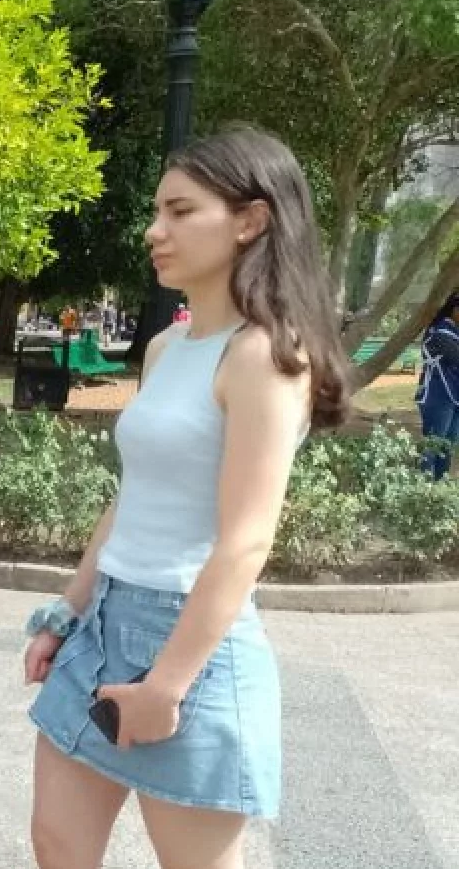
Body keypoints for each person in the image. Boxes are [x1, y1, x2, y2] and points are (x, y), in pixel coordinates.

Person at [22, 128, 351, 869]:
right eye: (157, 212)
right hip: (105, 621)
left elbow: (246, 540)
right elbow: (132, 497)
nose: (154, 231)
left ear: (250, 221)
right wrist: (67, 612)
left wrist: (167, 683)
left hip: (190, 641)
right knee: (57, 844)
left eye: (179, 211)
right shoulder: (167, 347)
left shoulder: (264, 355)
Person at [416, 292, 459, 478]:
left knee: (447, 446)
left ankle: (439, 487)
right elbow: (455, 357)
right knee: (433, 444)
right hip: (437, 395)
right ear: (455, 310)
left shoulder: (454, 332)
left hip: (453, 396)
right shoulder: (440, 332)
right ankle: (423, 485)